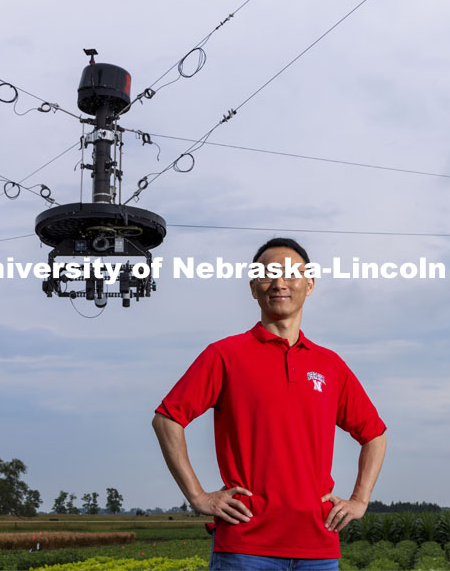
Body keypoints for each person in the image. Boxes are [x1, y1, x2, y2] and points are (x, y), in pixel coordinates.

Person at [152, 237, 387, 570]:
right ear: (253, 288)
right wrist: (198, 496)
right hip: (244, 548)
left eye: (290, 274)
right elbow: (167, 419)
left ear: (309, 284)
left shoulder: (330, 366)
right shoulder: (225, 355)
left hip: (318, 549)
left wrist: (360, 500)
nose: (279, 284)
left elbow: (375, 435)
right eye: (267, 275)